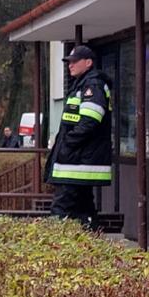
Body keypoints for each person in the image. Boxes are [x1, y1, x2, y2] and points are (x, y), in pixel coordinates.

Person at [47, 45, 113, 229]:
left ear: (89, 62)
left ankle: (55, 246)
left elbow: (90, 122)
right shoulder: (84, 85)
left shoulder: (92, 85)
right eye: (69, 62)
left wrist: (67, 144)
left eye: (75, 61)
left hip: (77, 161)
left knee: (61, 208)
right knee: (83, 209)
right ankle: (91, 243)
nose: (70, 65)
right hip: (78, 160)